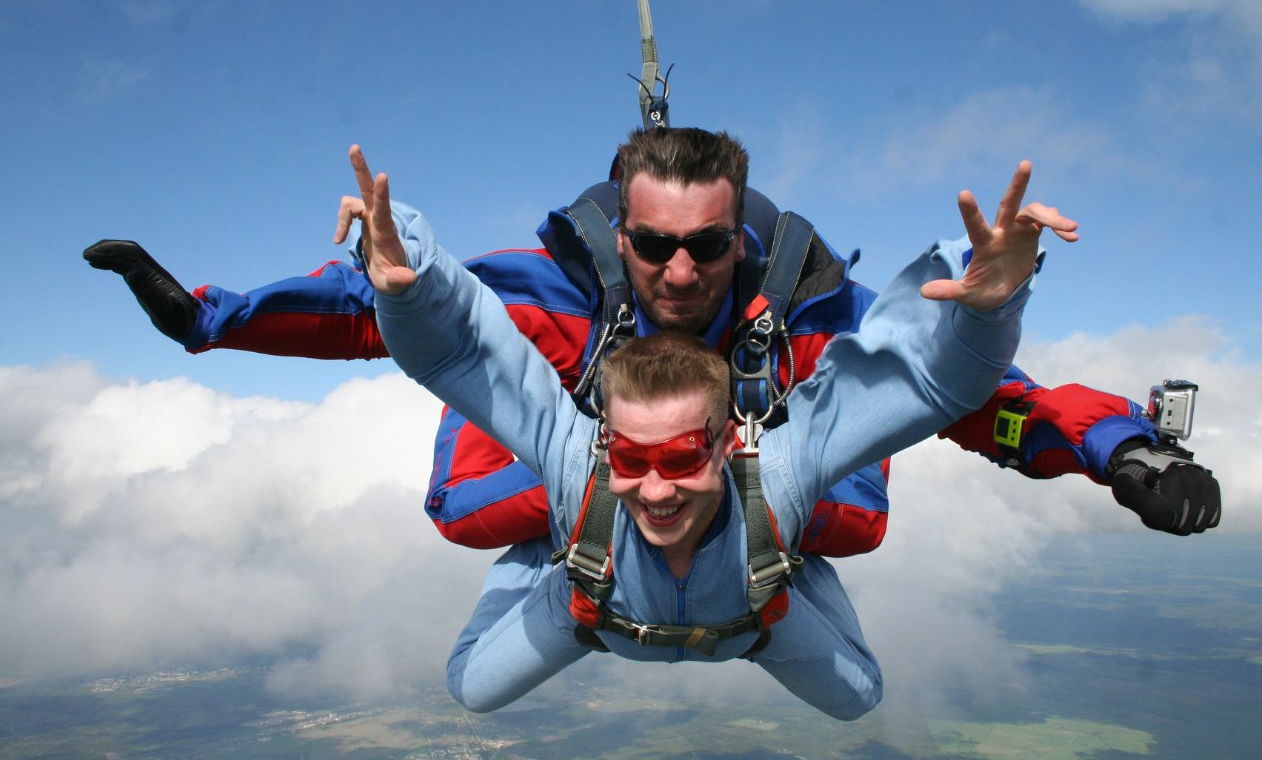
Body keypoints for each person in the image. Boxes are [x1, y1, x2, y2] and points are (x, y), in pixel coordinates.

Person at [83, 131, 1221, 545]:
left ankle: (703, 499)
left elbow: (972, 396)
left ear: (739, 243)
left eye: (706, 248)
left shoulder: (800, 320)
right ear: (619, 237)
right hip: (599, 478)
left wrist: (1121, 451)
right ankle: (634, 492)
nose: (679, 272)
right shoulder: (560, 295)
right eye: (654, 245)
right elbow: (391, 306)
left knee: (860, 511)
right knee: (462, 505)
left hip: (751, 490)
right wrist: (207, 318)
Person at [353, 140, 1069, 717]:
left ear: (730, 444)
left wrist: (991, 308)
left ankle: (784, 562)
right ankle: (556, 554)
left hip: (756, 613)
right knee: (472, 687)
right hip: (590, 605)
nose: (655, 489)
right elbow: (463, 354)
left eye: (680, 456)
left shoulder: (780, 473)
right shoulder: (577, 466)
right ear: (603, 444)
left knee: (859, 698)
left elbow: (929, 385)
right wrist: (407, 286)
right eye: (630, 457)